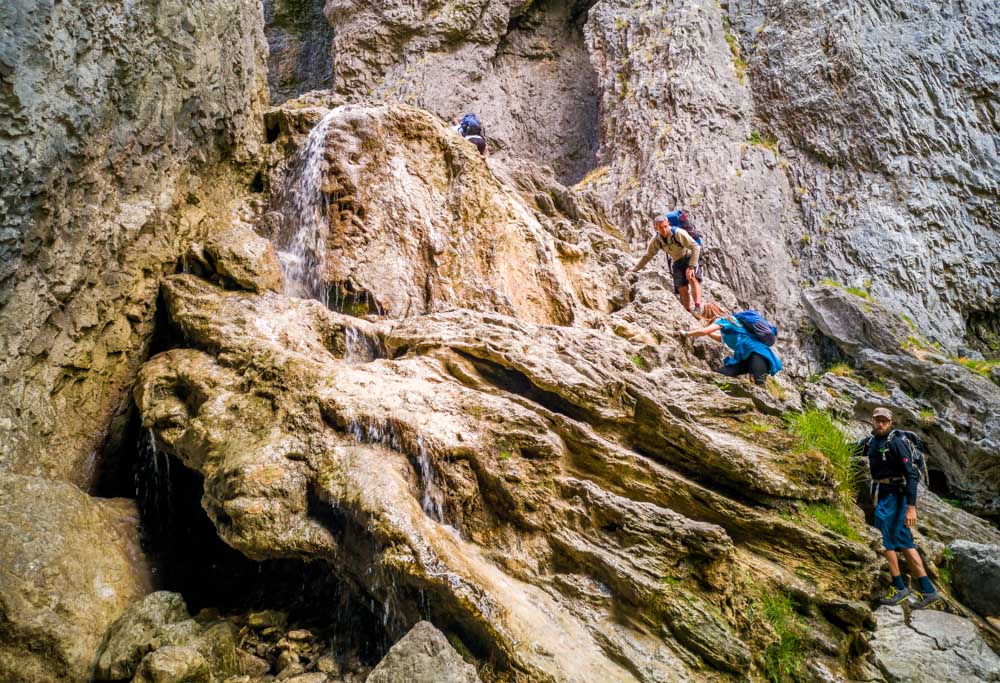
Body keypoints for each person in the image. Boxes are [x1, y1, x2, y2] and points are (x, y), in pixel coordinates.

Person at [856, 407, 941, 609]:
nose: (880, 424)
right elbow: (852, 449)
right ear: (872, 421)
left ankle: (900, 587)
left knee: (884, 537)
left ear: (890, 423)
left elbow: (911, 475)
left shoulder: (896, 442)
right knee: (904, 541)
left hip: (896, 496)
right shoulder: (871, 442)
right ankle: (928, 591)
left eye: (884, 421)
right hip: (885, 494)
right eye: (877, 420)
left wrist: (911, 507)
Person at [681, 303, 781, 385]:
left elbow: (704, 332)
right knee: (718, 376)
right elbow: (721, 339)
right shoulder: (731, 326)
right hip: (746, 358)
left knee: (759, 384)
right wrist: (710, 334)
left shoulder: (724, 321)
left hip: (758, 355)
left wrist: (686, 333)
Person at [628, 213, 702, 313]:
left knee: (692, 277)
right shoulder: (656, 240)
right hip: (677, 261)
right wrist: (636, 268)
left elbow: (695, 247)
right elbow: (648, 255)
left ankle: (697, 307)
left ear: (668, 224)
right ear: (656, 228)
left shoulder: (678, 233)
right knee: (681, 287)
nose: (664, 230)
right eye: (661, 228)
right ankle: (688, 311)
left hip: (690, 256)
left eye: (665, 226)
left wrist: (691, 266)